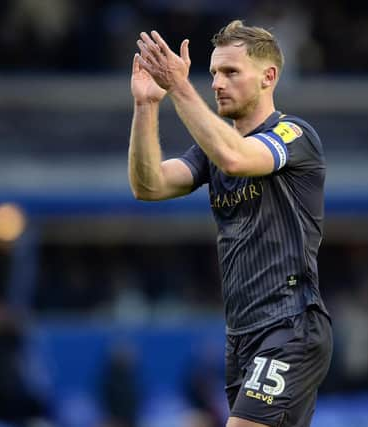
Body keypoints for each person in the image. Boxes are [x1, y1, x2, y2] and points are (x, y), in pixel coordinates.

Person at [128, 20, 333, 427]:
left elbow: (237, 158)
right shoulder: (212, 149)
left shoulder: (293, 135)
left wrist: (179, 88)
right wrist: (147, 105)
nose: (217, 83)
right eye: (214, 73)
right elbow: (149, 185)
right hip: (241, 334)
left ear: (268, 77)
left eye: (231, 72)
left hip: (289, 326)